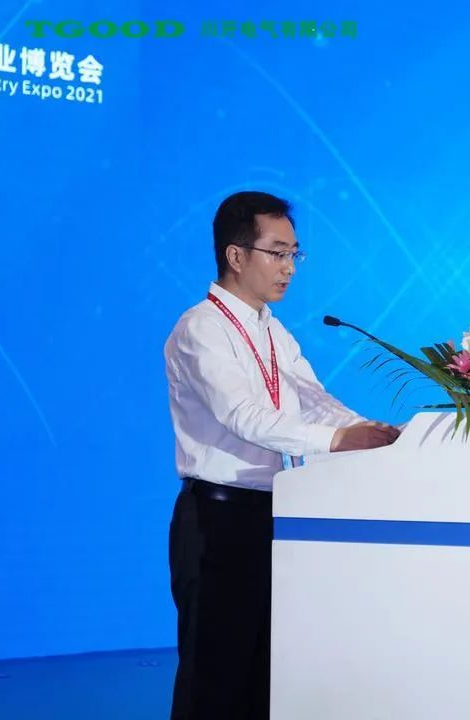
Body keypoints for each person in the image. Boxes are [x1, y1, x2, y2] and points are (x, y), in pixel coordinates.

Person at [164, 190, 400, 719]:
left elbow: (315, 401)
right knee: (214, 679)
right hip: (217, 520)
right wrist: (339, 440)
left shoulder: (272, 330)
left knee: (264, 676)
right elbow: (243, 417)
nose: (290, 267)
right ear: (236, 255)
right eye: (277, 253)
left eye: (295, 254)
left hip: (274, 515)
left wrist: (380, 433)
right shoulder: (200, 328)